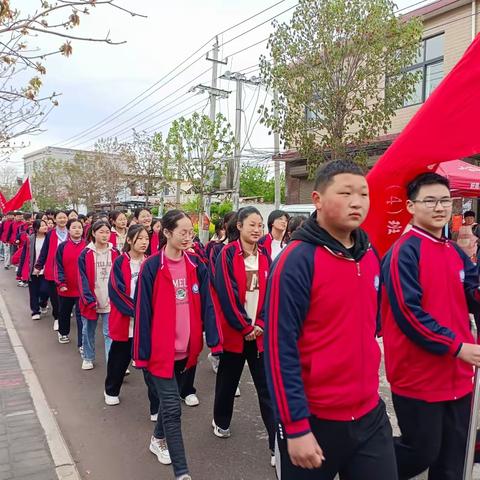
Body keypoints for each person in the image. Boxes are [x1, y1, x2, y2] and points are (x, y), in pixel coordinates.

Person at [264, 160, 398, 480]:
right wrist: (295, 427)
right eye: (346, 192)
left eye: (364, 194)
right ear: (318, 199)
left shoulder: (369, 255)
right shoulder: (296, 261)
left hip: (369, 414)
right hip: (315, 419)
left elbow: (371, 324)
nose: (357, 201)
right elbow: (279, 350)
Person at [382, 172, 480, 480]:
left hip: (459, 376)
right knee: (420, 451)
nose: (440, 208)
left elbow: (473, 293)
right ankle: (365, 466)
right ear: (411, 206)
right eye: (430, 201)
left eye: (445, 201)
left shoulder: (452, 251)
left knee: (452, 461)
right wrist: (456, 346)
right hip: (419, 375)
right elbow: (409, 314)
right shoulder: (404, 252)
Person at [133, 209, 222, 480]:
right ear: (167, 233)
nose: (187, 237)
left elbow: (208, 304)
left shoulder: (197, 265)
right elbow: (142, 313)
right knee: (172, 407)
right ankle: (181, 471)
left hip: (187, 351)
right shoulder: (151, 267)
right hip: (160, 352)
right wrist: (141, 355)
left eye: (190, 232)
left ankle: (157, 439)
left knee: (170, 404)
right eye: (182, 232)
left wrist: (214, 342)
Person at [213, 206, 276, 466]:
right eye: (252, 224)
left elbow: (270, 291)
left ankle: (276, 444)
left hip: (259, 335)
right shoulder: (226, 254)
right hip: (235, 334)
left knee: (267, 388)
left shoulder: (265, 256)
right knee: (228, 382)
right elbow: (226, 293)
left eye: (260, 225)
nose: (257, 229)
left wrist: (260, 323)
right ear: (238, 226)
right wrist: (244, 326)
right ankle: (221, 421)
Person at [104, 225, 158, 411]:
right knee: (118, 359)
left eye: (146, 238)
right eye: (140, 238)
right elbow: (116, 291)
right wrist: (137, 311)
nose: (144, 242)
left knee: (149, 365)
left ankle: (155, 406)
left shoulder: (151, 262)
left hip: (146, 323)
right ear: (129, 240)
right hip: (125, 321)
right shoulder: (120, 262)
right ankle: (111, 390)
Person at [78, 219, 119, 370]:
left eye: (107, 232)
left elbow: (120, 276)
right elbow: (81, 278)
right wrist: (88, 299)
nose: (105, 235)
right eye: (101, 232)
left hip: (110, 300)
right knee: (88, 330)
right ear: (93, 233)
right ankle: (88, 357)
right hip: (91, 300)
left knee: (110, 333)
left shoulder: (115, 252)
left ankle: (112, 362)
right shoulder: (86, 253)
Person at [34, 210, 69, 331]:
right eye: (60, 218)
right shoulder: (50, 234)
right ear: (55, 220)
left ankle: (64, 316)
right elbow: (44, 251)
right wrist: (38, 266)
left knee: (66, 296)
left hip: (69, 269)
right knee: (54, 296)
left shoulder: (71, 233)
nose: (62, 220)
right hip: (53, 268)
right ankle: (57, 318)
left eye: (64, 217)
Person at [55, 219, 86, 346]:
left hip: (82, 289)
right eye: (74, 227)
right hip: (66, 288)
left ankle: (82, 344)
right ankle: (63, 332)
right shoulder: (62, 247)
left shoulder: (87, 246)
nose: (77, 229)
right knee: (64, 312)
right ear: (68, 230)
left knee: (81, 317)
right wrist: (61, 283)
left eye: (79, 227)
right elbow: (58, 266)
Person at [18, 219, 49, 321]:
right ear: (36, 228)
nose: (45, 227)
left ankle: (43, 303)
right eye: (42, 225)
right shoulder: (30, 239)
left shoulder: (49, 238)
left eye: (46, 225)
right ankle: (35, 311)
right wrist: (21, 270)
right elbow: (24, 254)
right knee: (34, 291)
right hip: (33, 269)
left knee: (45, 290)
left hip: (46, 270)